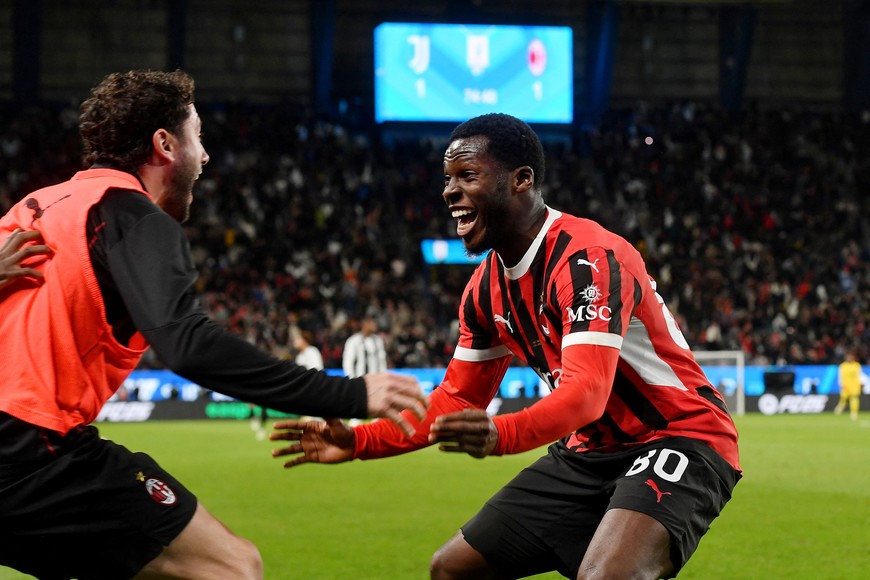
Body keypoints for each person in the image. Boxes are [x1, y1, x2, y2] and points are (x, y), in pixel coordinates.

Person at [272, 113, 741, 580]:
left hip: (679, 435)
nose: (448, 191)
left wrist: (503, 435)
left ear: (521, 180)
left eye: (467, 176)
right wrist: (357, 440)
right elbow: (456, 400)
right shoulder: (482, 290)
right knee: (452, 568)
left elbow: (587, 391)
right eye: (447, 179)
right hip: (589, 451)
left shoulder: (587, 259)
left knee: (606, 577)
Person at [0, 69, 427, 580]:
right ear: (164, 145)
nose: (205, 155)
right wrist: (351, 395)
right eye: (196, 136)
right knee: (230, 567)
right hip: (29, 450)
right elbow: (189, 345)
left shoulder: (30, 210)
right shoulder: (133, 217)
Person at [834, 350, 862, 420]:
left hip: (854, 385)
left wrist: (860, 382)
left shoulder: (857, 365)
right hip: (845, 385)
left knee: (854, 398)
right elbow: (840, 375)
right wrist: (840, 383)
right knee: (844, 398)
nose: (849, 358)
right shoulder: (843, 366)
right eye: (848, 357)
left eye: (850, 357)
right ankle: (840, 408)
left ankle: (854, 412)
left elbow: (859, 375)